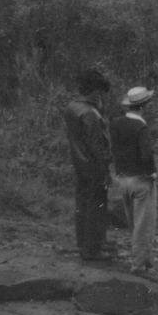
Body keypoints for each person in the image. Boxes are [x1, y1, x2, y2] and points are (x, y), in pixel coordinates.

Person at [64, 68, 114, 262]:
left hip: (79, 163)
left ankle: (83, 244)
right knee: (96, 208)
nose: (102, 96)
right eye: (101, 91)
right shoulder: (91, 114)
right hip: (94, 166)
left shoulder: (71, 108)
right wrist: (106, 169)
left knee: (82, 204)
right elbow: (98, 146)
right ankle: (93, 250)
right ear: (95, 91)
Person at [111, 86, 158, 275]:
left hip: (123, 178)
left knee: (133, 223)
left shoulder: (115, 123)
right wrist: (151, 173)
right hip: (140, 180)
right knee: (143, 225)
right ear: (143, 105)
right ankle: (139, 265)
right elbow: (146, 155)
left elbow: (114, 149)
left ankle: (145, 260)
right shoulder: (141, 127)